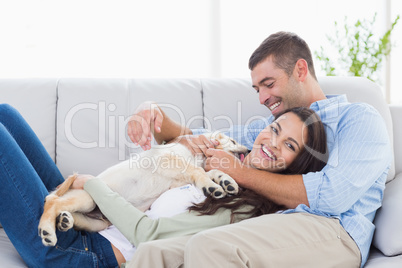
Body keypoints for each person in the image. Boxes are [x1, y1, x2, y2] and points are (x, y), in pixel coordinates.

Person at [126, 31, 392, 268]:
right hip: (275, 224)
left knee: (208, 246)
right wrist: (153, 113)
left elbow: (333, 195)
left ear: (300, 70)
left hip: (336, 232)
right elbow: (197, 139)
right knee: (153, 254)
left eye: (269, 84)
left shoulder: (357, 118)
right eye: (257, 89)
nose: (263, 98)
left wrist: (239, 172)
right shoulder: (269, 128)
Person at [0, 103, 326, 267]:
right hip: (85, 216)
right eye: (277, 128)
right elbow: (167, 157)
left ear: (295, 166)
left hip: (82, 252)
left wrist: (94, 186)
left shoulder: (244, 208)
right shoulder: (226, 163)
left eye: (289, 146)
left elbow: (148, 236)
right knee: (6, 114)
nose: (272, 142)